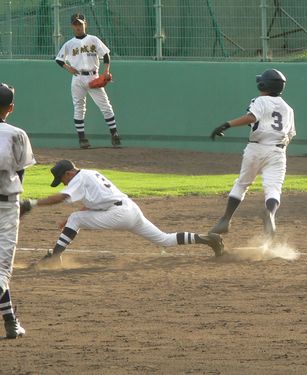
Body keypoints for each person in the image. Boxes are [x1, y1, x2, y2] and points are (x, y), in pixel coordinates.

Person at [21, 160, 223, 268]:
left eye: (61, 179)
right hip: (129, 209)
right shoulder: (90, 174)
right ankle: (208, 239)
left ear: (68, 173)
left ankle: (55, 257)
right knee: (164, 240)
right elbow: (99, 202)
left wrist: (32, 203)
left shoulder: (78, 179)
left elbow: (60, 198)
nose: (63, 183)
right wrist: (72, 218)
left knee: (76, 219)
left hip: (119, 213)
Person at [209, 69, 296, 237]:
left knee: (242, 184)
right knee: (273, 188)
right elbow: (290, 134)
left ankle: (225, 220)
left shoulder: (260, 100)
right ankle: (270, 213)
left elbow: (251, 117)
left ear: (263, 84)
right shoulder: (288, 109)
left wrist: (226, 124)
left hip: (256, 148)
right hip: (278, 150)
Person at [0, 83, 36, 339]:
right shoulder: (17, 134)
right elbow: (20, 172)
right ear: (10, 108)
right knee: (2, 269)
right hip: (5, 205)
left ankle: (11, 321)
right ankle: (11, 322)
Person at [55, 13, 121, 149]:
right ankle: (82, 139)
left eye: (80, 23)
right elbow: (59, 59)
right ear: (72, 26)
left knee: (105, 106)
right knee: (79, 107)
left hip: (93, 77)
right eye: (75, 24)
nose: (78, 26)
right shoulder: (69, 44)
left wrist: (106, 70)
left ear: (85, 24)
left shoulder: (93, 39)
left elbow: (106, 54)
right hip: (77, 78)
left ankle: (114, 134)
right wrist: (68, 68)